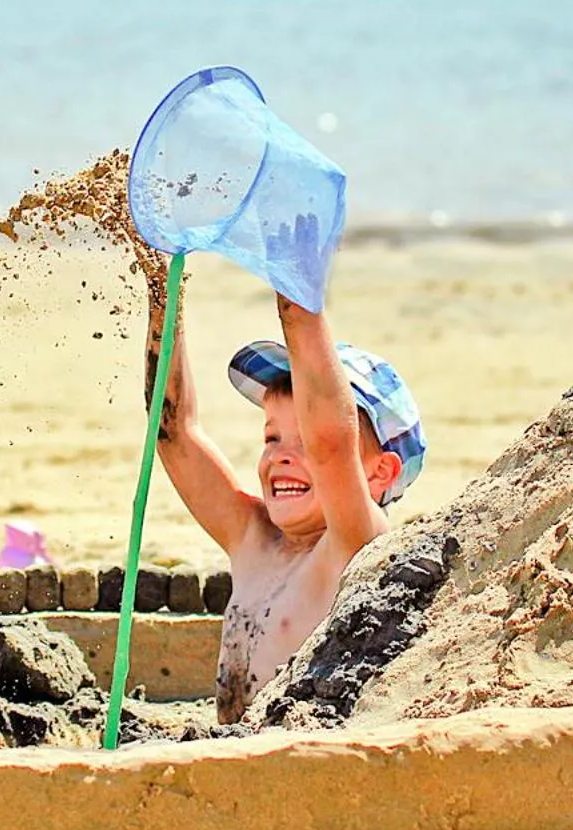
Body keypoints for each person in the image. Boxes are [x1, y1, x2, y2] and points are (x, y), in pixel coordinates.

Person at [144, 275, 425, 723]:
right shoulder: (252, 540)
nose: (283, 458)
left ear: (379, 472)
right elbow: (175, 432)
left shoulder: (356, 547)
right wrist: (163, 292)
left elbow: (333, 443)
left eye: (305, 441)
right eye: (273, 437)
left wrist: (294, 283)